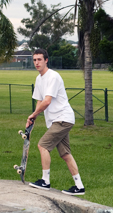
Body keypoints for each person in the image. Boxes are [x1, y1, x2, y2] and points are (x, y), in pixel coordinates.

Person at [27, 48, 85, 195]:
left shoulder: (53, 76)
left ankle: (45, 181)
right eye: (34, 60)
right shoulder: (39, 79)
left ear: (46, 60)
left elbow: (47, 101)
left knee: (42, 145)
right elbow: (40, 101)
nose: (37, 63)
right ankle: (79, 186)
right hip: (56, 120)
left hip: (62, 118)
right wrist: (33, 117)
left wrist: (34, 114)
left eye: (39, 59)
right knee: (65, 154)